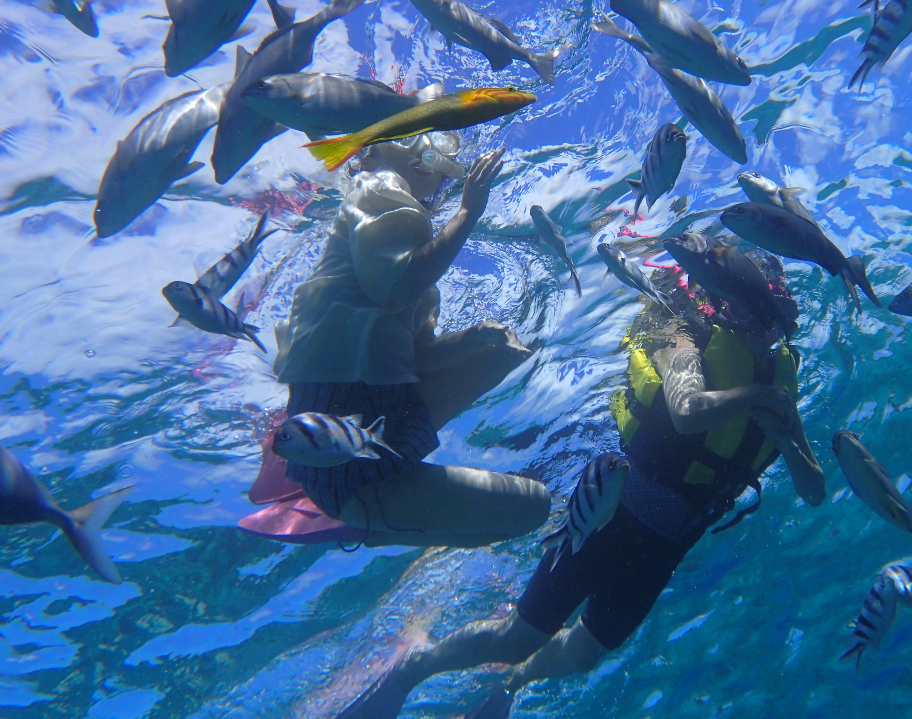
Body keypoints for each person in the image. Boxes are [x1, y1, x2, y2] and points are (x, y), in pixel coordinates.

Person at [342, 251, 827, 717]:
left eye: (773, 321)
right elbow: (685, 410)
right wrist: (761, 397)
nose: (763, 331)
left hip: (668, 546)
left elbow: (815, 491)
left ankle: (512, 685)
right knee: (519, 637)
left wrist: (789, 443)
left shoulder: (778, 383)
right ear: (723, 306)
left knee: (583, 655)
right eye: (750, 314)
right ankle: (413, 669)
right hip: (610, 512)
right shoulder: (686, 338)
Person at [253, 133, 551, 549]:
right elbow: (399, 287)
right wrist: (468, 211)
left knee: (496, 356)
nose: (426, 149)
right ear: (369, 151)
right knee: (535, 507)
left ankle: (374, 526)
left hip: (380, 435)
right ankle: (367, 523)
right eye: (410, 134)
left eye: (439, 145)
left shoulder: (409, 249)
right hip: (350, 471)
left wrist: (476, 337)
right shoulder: (377, 185)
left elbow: (419, 359)